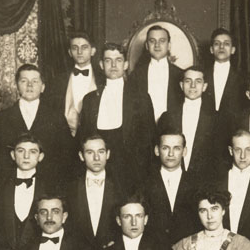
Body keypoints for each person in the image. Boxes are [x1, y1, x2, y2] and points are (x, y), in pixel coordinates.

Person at [78, 42, 156, 193]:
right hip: (98, 171)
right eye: (108, 60)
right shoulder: (90, 100)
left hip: (131, 173)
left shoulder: (140, 98)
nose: (113, 65)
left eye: (118, 60)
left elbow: (148, 140)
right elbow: (84, 138)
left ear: (126, 64)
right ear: (101, 64)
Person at [0, 63, 75, 180]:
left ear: (43, 87)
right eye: (24, 81)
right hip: (10, 183)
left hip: (47, 185)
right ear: (17, 85)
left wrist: (50, 174)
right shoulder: (0, 118)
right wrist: (13, 174)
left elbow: (67, 152)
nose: (30, 85)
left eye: (35, 81)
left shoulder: (56, 117)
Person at [0, 132, 63, 250]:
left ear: (40, 157)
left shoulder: (52, 189)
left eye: (33, 151)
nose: (26, 156)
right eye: (21, 151)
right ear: (13, 155)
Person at [157, 66, 220, 176]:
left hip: (206, 179)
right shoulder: (167, 116)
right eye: (188, 81)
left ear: (204, 86)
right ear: (181, 85)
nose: (193, 86)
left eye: (198, 81)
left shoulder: (217, 118)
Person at [141, 131, 201, 245]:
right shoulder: (144, 184)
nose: (171, 153)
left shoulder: (197, 183)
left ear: (184, 151)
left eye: (177, 148)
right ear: (157, 150)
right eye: (165, 148)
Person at [65, 134, 123, 250]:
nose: (96, 158)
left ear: (108, 154)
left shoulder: (121, 186)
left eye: (101, 152)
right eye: (90, 152)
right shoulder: (70, 188)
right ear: (81, 156)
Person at [129, 24, 184, 123]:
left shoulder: (180, 75)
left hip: (172, 131)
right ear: (147, 46)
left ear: (169, 45)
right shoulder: (136, 75)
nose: (157, 45)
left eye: (162, 41)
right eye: (152, 41)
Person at [203, 28, 246, 122]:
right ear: (211, 49)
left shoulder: (243, 78)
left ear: (233, 50)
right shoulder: (202, 76)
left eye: (226, 44)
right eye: (217, 43)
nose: (221, 47)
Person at [62, 31, 99, 137]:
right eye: (75, 48)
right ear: (69, 52)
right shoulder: (59, 81)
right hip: (66, 138)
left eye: (84, 47)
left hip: (94, 138)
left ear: (92, 51)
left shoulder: (102, 78)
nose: (79, 52)